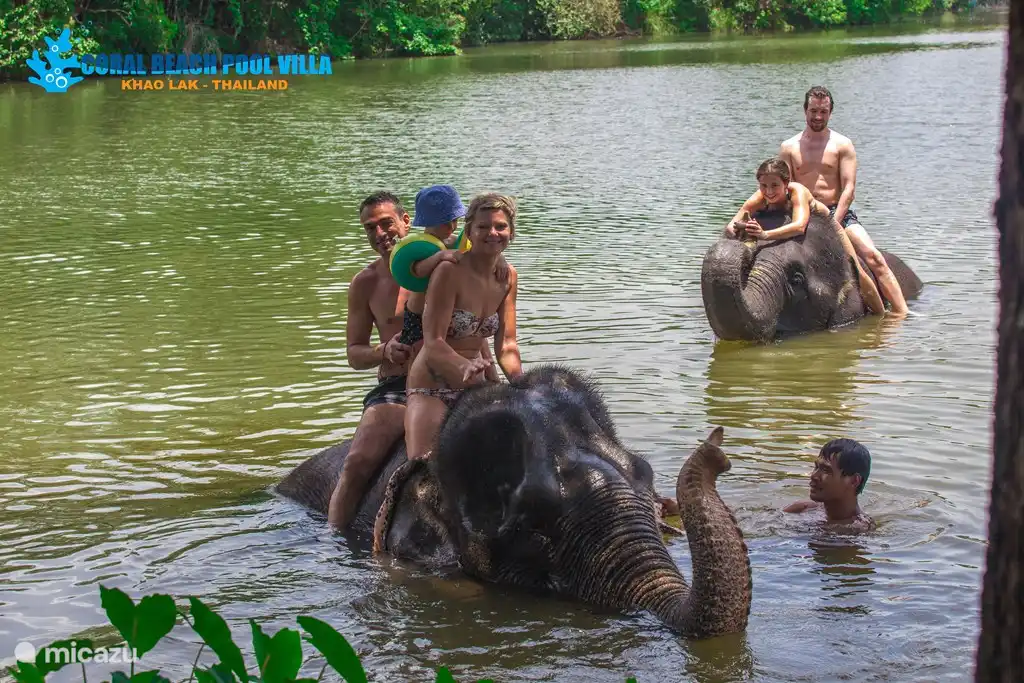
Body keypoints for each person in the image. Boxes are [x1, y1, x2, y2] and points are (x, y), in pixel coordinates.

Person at [404, 192, 523, 462]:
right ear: (469, 231)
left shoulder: (509, 277)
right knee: (422, 468)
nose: (492, 233)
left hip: (478, 384)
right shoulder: (449, 271)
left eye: (501, 226)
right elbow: (433, 342)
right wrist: (463, 366)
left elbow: (506, 345)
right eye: (483, 226)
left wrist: (521, 383)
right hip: (432, 385)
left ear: (511, 232)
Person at [778, 85, 908, 316]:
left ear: (830, 112)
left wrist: (832, 221)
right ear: (804, 110)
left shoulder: (842, 144)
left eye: (823, 112)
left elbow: (849, 189)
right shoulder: (789, 147)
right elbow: (786, 189)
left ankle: (901, 313)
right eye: (814, 111)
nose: (818, 117)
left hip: (838, 213)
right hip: (802, 214)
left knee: (873, 257)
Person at [327, 191, 415, 530]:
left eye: (386, 224)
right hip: (398, 387)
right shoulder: (365, 283)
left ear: (406, 222)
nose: (380, 234)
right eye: (370, 228)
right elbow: (354, 354)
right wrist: (383, 350)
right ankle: (331, 544)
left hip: (448, 379)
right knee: (357, 463)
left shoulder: (443, 263)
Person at [725, 157, 886, 315]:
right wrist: (743, 228)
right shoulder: (759, 197)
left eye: (775, 185)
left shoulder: (797, 192)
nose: (769, 191)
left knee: (855, 268)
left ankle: (880, 316)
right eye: (763, 186)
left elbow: (799, 226)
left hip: (826, 227)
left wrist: (764, 234)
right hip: (788, 231)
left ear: (786, 184)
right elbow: (731, 226)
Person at [394, 184, 503, 385]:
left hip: (448, 310)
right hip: (418, 316)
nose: (452, 227)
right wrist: (439, 257)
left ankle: (492, 376)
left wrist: (500, 259)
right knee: (421, 350)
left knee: (477, 333)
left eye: (455, 220)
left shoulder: (452, 241)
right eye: (445, 223)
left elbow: (480, 255)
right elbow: (416, 270)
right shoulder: (418, 246)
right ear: (428, 222)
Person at [784, 438, 875, 532]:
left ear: (854, 481)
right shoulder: (803, 508)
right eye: (816, 467)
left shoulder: (859, 530)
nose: (813, 476)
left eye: (826, 470)